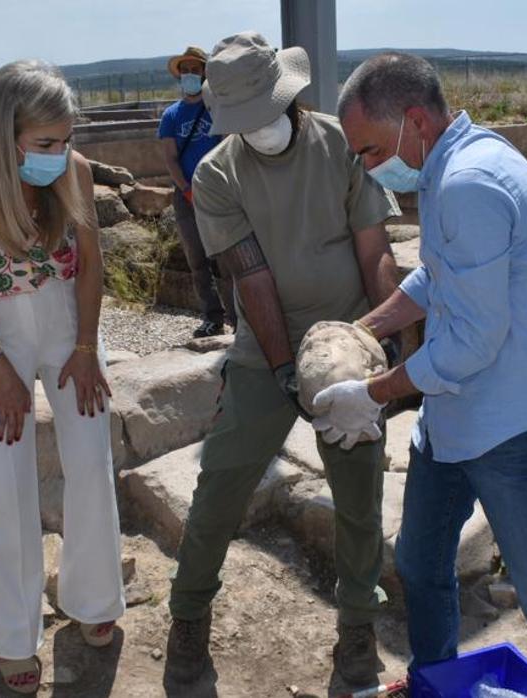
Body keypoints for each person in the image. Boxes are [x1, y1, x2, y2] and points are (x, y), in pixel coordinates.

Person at [319, 53, 527, 698]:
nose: (367, 166)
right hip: (455, 420)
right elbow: (437, 275)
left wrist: (371, 393)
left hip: (513, 428)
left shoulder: (471, 182)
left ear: (416, 121)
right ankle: (436, 682)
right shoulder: (446, 165)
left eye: (370, 151)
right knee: (421, 562)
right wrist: (364, 330)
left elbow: (470, 342)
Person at [164, 32, 402, 689]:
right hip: (265, 343)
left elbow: (372, 246)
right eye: (245, 123)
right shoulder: (216, 174)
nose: (259, 132)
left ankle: (356, 631)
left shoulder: (338, 145)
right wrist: (283, 373)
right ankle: (188, 621)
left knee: (359, 492)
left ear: (287, 96)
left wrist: (388, 343)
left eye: (266, 115)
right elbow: (253, 279)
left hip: (351, 332)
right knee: (222, 481)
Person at [0, 60, 124, 695]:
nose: (59, 153)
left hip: (68, 321)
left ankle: (92, 598)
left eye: (65, 139)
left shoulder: (75, 172)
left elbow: (90, 265)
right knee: (6, 481)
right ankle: (14, 632)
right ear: (2, 133)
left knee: (92, 461)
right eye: (45, 142)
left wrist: (88, 345)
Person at [158, 46, 235, 338]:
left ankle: (238, 318)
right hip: (187, 195)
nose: (190, 75)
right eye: (185, 70)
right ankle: (212, 317)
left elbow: (229, 147)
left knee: (227, 259)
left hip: (218, 193)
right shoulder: (171, 116)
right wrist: (186, 188)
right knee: (197, 260)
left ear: (205, 74)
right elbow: (170, 158)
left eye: (195, 69)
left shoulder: (216, 109)